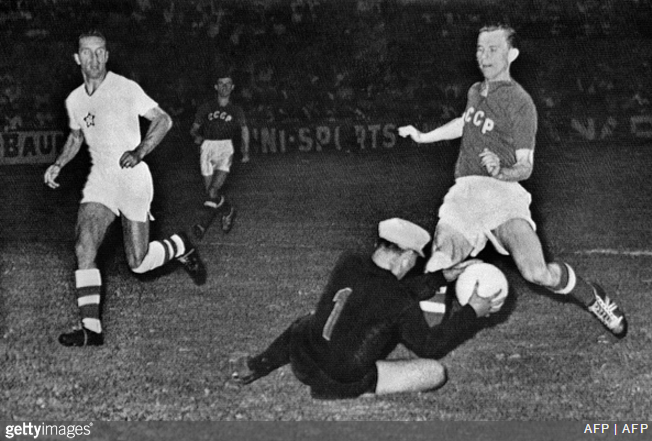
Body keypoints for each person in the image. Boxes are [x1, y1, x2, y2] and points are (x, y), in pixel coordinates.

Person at [398, 23, 627, 339]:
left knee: (537, 273)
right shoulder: (476, 91)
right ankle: (430, 341)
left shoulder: (521, 103)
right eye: (480, 49)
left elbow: (525, 167)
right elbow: (465, 123)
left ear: (512, 54)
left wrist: (500, 172)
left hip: (504, 194)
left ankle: (592, 296)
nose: (484, 56)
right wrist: (424, 137)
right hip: (466, 191)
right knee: (440, 262)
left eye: (493, 49)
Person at [43, 30, 206, 347]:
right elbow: (76, 138)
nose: (93, 58)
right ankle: (91, 329)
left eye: (99, 52)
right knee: (84, 245)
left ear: (106, 55)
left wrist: (140, 151)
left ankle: (180, 245)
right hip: (101, 179)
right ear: (77, 58)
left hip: (132, 178)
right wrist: (58, 163)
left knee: (139, 262)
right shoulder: (74, 100)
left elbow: (163, 120)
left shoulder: (125, 88)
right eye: (86, 52)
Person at [230, 218, 501, 399]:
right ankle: (357, 389)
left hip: (303, 359)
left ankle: (258, 364)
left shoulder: (350, 262)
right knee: (434, 372)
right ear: (407, 257)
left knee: (310, 320)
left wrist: (442, 277)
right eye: (413, 259)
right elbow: (430, 345)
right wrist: (472, 312)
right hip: (336, 381)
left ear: (379, 245)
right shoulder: (397, 300)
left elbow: (382, 293)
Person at [189, 69, 250, 239]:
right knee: (211, 192)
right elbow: (193, 130)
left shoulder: (236, 109)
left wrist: (245, 150)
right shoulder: (206, 107)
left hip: (225, 148)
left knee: (214, 189)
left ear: (233, 87)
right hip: (207, 147)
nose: (224, 87)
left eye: (228, 84)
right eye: (221, 84)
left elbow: (244, 130)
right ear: (216, 87)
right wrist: (197, 137)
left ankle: (202, 225)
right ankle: (228, 210)